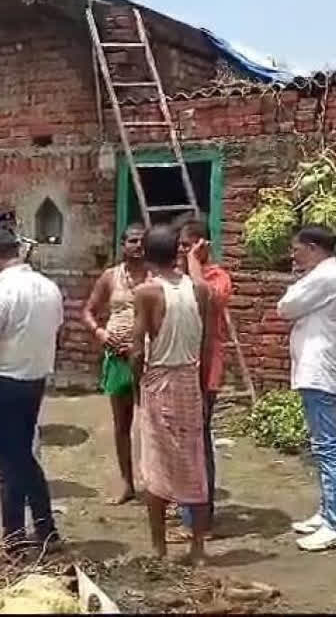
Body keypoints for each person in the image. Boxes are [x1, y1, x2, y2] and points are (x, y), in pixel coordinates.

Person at [0, 223, 64, 560]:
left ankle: (14, 541)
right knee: (25, 457)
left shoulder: (2, 293)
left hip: (1, 382)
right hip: (33, 380)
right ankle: (46, 529)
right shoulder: (48, 287)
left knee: (8, 464)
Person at [128, 224, 213, 566]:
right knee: (194, 463)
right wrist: (205, 387)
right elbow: (206, 346)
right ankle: (197, 547)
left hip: (160, 381)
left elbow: (136, 349)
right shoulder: (200, 290)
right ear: (177, 252)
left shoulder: (147, 292)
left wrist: (137, 386)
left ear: (147, 255)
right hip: (190, 380)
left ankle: (159, 547)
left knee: (156, 466)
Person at [276, 225, 336, 552]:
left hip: (321, 371)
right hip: (318, 369)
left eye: (297, 249)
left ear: (312, 247)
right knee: (321, 444)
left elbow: (285, 307)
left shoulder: (326, 277)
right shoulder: (328, 276)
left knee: (327, 447)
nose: (293, 256)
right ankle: (327, 513)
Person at [174, 217, 234, 540]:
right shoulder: (177, 278)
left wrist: (195, 263)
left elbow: (205, 299)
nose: (183, 252)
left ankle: (201, 520)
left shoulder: (216, 277)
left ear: (202, 245)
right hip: (180, 369)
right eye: (181, 247)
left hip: (205, 370)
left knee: (198, 443)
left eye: (188, 246)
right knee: (182, 443)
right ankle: (188, 510)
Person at [83, 223, 147, 505]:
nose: (137, 245)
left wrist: (141, 344)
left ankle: (156, 483)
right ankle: (127, 483)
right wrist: (100, 333)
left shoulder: (155, 276)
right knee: (122, 424)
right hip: (118, 357)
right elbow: (88, 311)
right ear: (123, 245)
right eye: (132, 241)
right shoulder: (111, 276)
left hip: (148, 358)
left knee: (151, 423)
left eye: (142, 240)